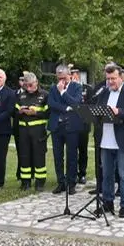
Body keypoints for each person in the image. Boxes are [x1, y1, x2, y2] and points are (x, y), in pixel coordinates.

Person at [97, 63, 124, 217]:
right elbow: (97, 110)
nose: (110, 82)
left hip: (122, 140)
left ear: (121, 77)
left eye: (113, 78)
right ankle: (107, 203)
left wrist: (119, 112)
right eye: (108, 79)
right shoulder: (104, 92)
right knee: (107, 174)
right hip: (105, 140)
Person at [48, 64, 84, 195]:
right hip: (57, 125)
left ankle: (71, 183)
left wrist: (63, 92)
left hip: (71, 126)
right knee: (58, 156)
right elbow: (51, 103)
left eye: (64, 77)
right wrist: (66, 108)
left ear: (69, 75)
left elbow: (75, 103)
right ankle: (61, 182)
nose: (61, 81)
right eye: (59, 78)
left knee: (72, 155)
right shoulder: (53, 88)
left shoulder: (77, 87)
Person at [14, 72, 49, 191]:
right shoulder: (21, 96)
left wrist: (36, 113)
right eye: (26, 85)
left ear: (36, 83)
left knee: (39, 156)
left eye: (30, 85)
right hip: (23, 130)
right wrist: (20, 112)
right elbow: (14, 112)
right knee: (24, 156)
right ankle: (25, 182)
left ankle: (40, 182)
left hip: (38, 131)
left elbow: (48, 113)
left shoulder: (44, 95)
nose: (28, 88)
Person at [71, 65, 93, 184]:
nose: (73, 76)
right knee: (71, 150)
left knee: (83, 150)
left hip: (83, 123)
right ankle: (72, 173)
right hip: (71, 123)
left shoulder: (87, 88)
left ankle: (82, 173)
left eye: (75, 74)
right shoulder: (67, 88)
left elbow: (90, 104)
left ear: (78, 75)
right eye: (71, 74)